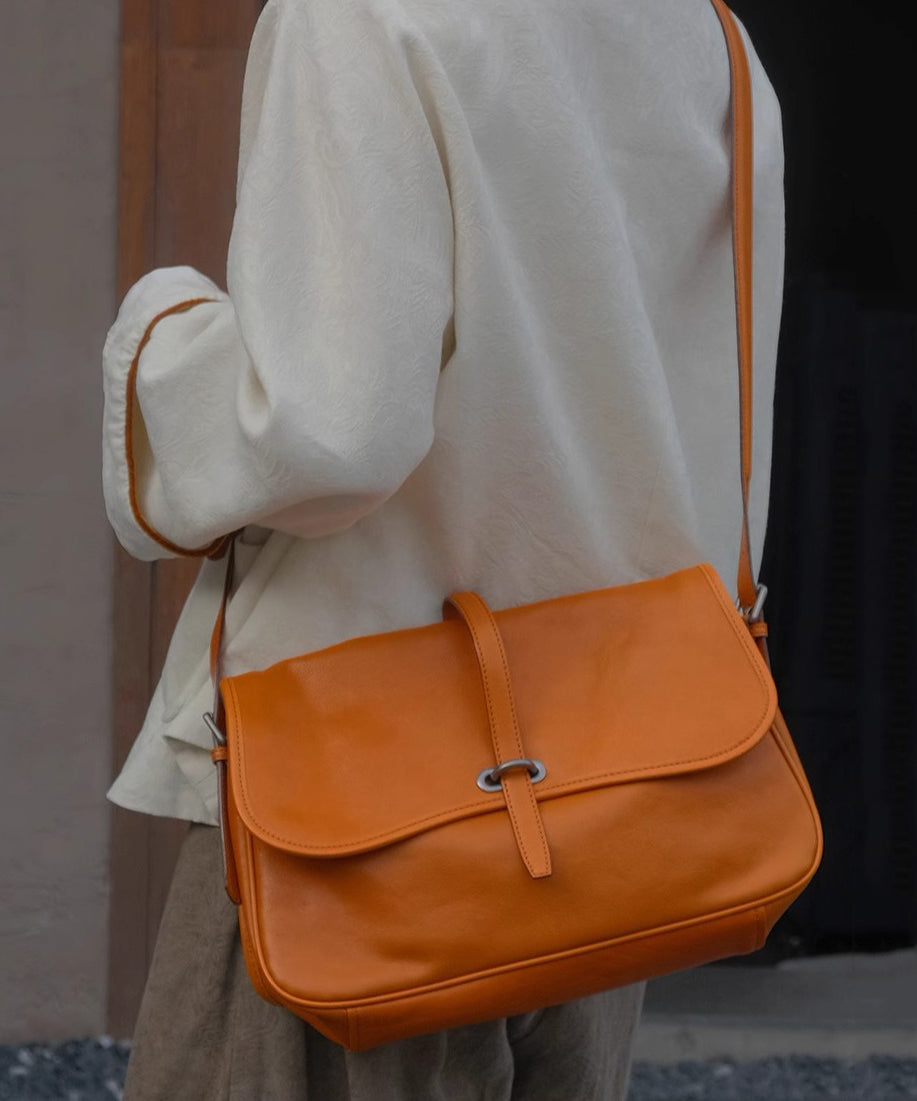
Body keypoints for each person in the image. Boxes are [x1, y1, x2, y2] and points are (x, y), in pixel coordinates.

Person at [101, 0, 784, 1095]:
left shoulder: (360, 16)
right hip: (624, 794)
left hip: (362, 812)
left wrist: (161, 348)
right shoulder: (703, 32)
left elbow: (324, 432)